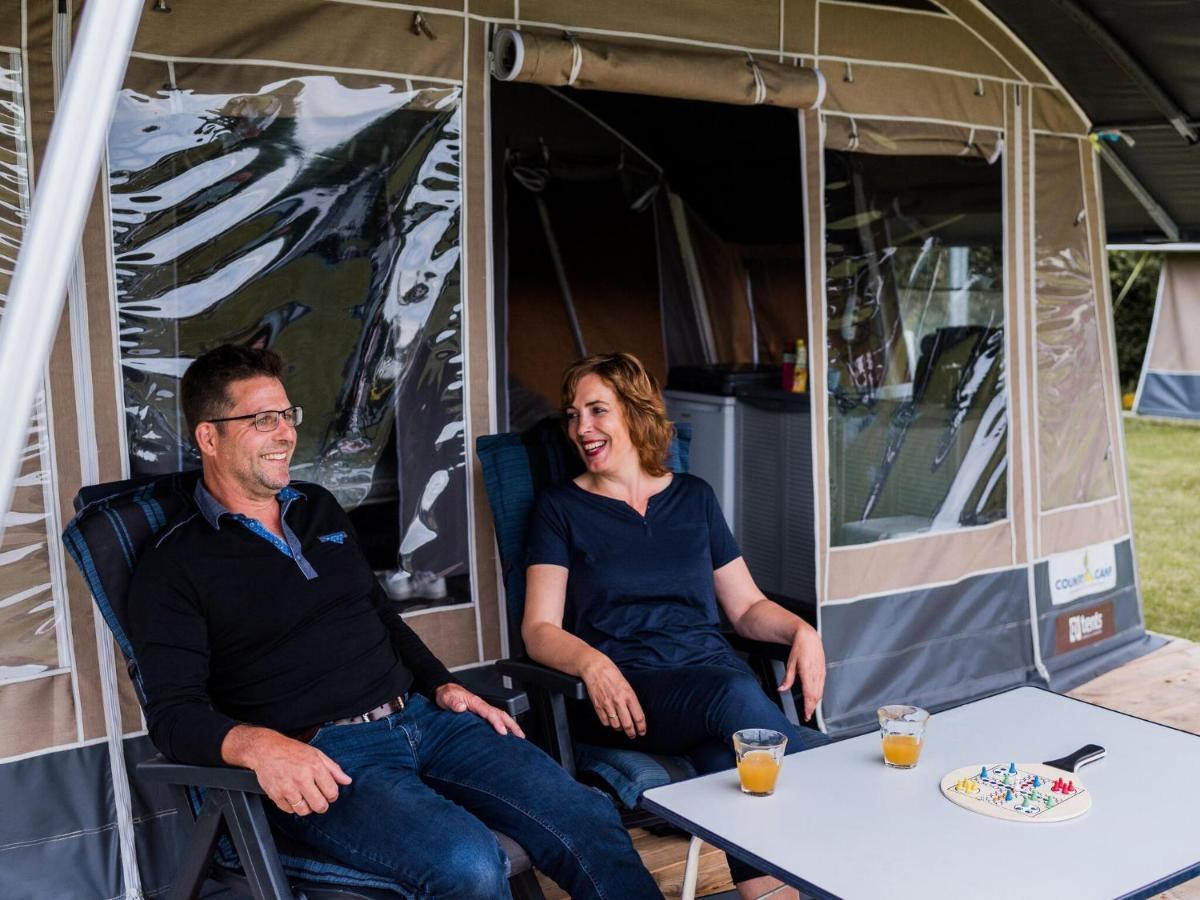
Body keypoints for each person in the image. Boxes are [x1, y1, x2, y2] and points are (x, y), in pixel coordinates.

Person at [128, 345, 662, 900]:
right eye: (262, 420)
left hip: (426, 720)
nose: (285, 433)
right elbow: (172, 714)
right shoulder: (173, 566)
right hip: (328, 761)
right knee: (468, 864)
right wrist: (260, 747)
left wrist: (442, 684)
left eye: (288, 415)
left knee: (585, 814)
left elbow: (378, 613)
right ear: (208, 438)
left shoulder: (317, 507)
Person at [523, 352, 830, 900]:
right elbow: (538, 629)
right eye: (573, 415)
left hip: (707, 682)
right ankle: (850, 800)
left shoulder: (694, 497)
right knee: (735, 694)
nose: (581, 428)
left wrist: (799, 630)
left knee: (732, 771)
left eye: (597, 411)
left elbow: (746, 607)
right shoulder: (560, 509)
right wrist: (594, 664)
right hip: (628, 693)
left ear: (636, 413)